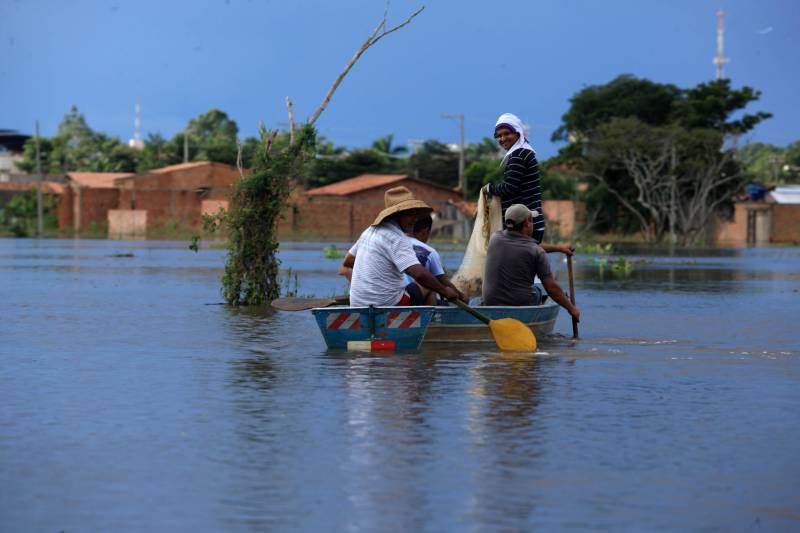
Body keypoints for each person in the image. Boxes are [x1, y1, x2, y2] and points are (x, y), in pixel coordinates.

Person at [337, 186, 459, 307]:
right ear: (396, 214)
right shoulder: (397, 238)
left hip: (357, 304)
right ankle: (429, 324)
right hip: (390, 304)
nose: (415, 219)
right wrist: (445, 291)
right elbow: (419, 275)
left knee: (423, 284)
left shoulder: (369, 231)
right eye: (410, 214)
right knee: (429, 286)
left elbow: (348, 260)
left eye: (415, 213)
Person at [483, 204, 580, 324]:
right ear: (527, 223)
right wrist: (572, 308)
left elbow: (528, 247)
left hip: (490, 302)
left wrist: (559, 248)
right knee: (538, 291)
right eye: (531, 220)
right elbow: (551, 288)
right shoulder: (536, 251)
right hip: (520, 303)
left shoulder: (495, 238)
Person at [485, 112, 546, 243]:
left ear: (518, 133)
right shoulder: (523, 152)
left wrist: (489, 189)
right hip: (528, 224)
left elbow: (509, 188)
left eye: (507, 133)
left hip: (525, 226)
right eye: (499, 136)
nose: (502, 139)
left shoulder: (519, 155)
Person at [402, 215, 465, 305]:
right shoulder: (429, 252)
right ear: (425, 231)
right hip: (408, 298)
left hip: (392, 294)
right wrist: (462, 297)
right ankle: (433, 317)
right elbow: (443, 282)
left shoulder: (396, 243)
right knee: (431, 284)